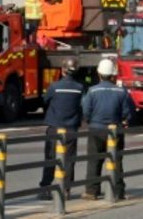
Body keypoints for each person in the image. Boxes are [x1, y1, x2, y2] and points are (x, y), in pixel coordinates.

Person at [80, 57, 135, 200]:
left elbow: (86, 111)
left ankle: (92, 191)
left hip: (96, 129)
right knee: (116, 160)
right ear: (113, 75)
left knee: (94, 160)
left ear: (99, 74)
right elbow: (128, 112)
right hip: (114, 130)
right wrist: (125, 121)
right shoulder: (121, 92)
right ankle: (117, 190)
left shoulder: (92, 91)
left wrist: (90, 120)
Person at [38, 60, 86, 199]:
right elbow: (82, 106)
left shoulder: (55, 86)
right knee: (69, 159)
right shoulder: (79, 88)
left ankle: (45, 188)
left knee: (50, 158)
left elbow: (45, 100)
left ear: (63, 70)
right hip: (71, 127)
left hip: (54, 126)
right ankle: (66, 189)